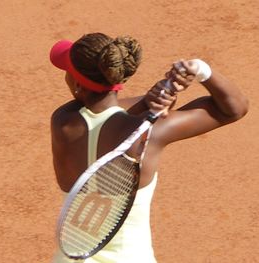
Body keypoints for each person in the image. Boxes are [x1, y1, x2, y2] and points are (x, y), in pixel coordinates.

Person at [49, 33, 248, 263]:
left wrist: (150, 100)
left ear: (75, 84)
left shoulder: (63, 122)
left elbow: (104, 113)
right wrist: (200, 71)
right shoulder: (149, 133)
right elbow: (233, 109)